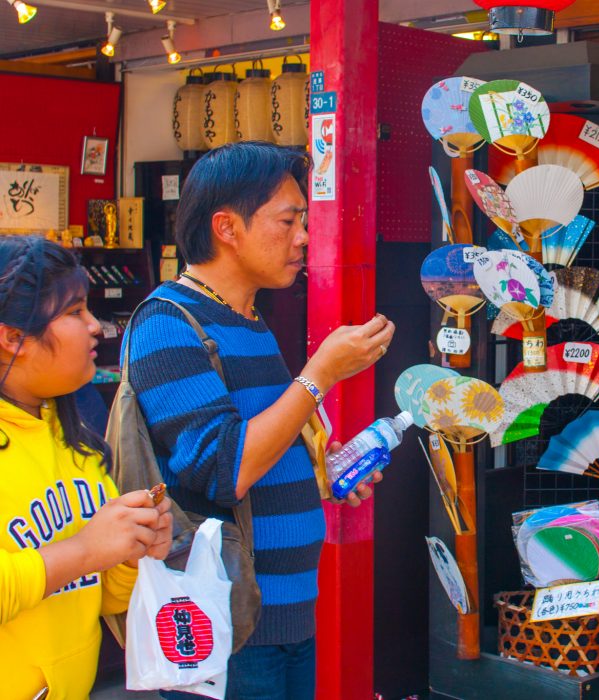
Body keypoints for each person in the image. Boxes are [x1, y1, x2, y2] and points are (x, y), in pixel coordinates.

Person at [125, 141, 395, 699]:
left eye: (304, 221)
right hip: (230, 624)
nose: (303, 237)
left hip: (289, 612)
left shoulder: (247, 319)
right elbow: (226, 470)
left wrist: (325, 471)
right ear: (227, 227)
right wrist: (320, 373)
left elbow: (266, 442)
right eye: (288, 220)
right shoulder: (166, 323)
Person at [0, 235, 173, 699]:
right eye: (75, 312)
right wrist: (85, 550)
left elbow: (105, 597)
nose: (95, 327)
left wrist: (134, 548)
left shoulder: (75, 442)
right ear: (12, 338)